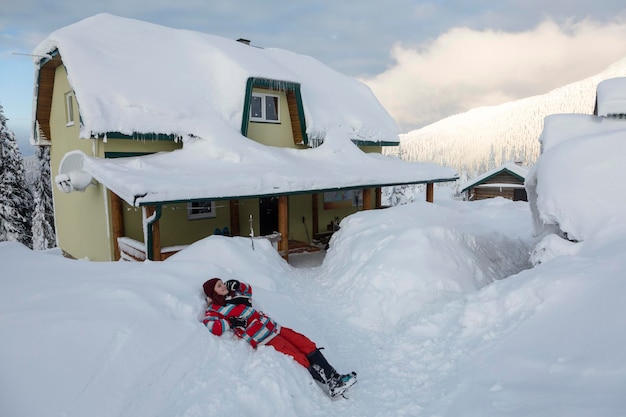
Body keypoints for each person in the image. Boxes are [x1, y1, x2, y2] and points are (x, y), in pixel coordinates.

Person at [201, 277, 357, 398]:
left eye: (223, 283)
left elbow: (248, 291)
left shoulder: (233, 296)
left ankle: (334, 377)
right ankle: (329, 384)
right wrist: (231, 322)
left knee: (306, 344)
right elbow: (212, 327)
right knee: (299, 357)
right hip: (265, 338)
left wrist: (237, 285)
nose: (223, 287)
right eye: (219, 286)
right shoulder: (214, 310)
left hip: (274, 327)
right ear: (212, 293)